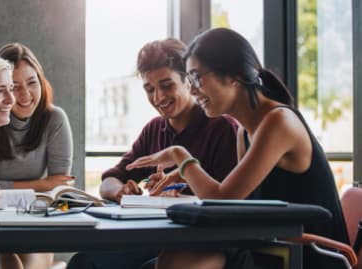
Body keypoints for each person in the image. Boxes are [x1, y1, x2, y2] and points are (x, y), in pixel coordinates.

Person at [126, 28, 349, 269]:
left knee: (176, 262)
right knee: (170, 260)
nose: (192, 90)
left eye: (197, 77)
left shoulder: (278, 122)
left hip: (307, 256)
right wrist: (185, 171)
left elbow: (222, 200)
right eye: (190, 80)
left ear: (232, 75)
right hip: (270, 248)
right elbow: (236, 206)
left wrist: (181, 158)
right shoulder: (245, 131)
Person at [67, 38, 238, 269]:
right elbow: (109, 179)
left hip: (203, 243)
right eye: (149, 89)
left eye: (167, 86)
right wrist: (120, 191)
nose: (158, 98)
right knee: (84, 261)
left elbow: (228, 203)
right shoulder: (154, 129)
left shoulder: (222, 127)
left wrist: (181, 192)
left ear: (189, 81)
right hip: (158, 239)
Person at [0, 43, 73, 268]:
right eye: (14, 87)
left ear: (41, 81)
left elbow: (59, 189)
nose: (25, 95)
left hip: (33, 223)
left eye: (32, 83)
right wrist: (40, 184)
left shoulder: (54, 119)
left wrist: (46, 187)